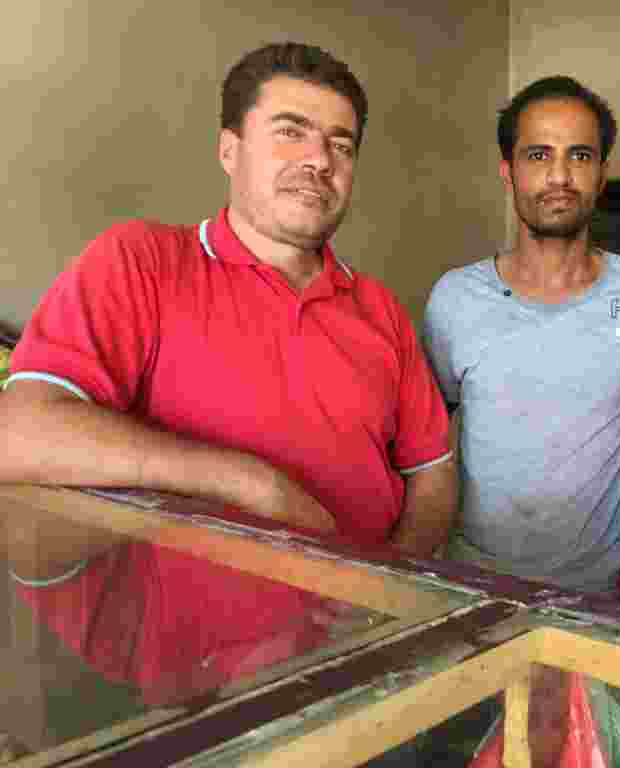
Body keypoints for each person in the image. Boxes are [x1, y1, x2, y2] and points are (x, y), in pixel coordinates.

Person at [0, 42, 455, 707]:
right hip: (194, 697)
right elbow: (19, 436)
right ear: (229, 150)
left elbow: (433, 472)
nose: (318, 160)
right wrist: (253, 485)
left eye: (341, 145)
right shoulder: (142, 262)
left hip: (366, 673)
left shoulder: (378, 307)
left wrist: (389, 583)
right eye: (290, 132)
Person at [423, 76, 620, 595]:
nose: (560, 176)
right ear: (509, 170)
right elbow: (423, 450)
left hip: (605, 598)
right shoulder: (453, 300)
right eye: (539, 155)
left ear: (603, 173)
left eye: (581, 156)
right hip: (477, 590)